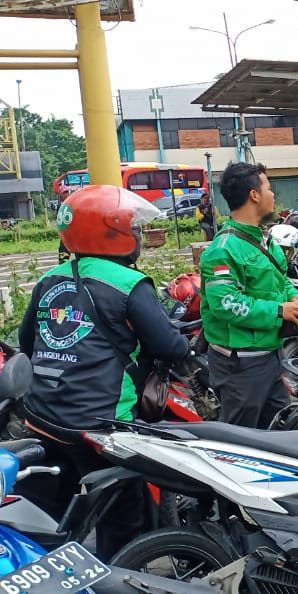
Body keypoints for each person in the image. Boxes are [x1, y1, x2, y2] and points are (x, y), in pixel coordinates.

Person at [18, 185, 191, 558]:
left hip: (43, 417)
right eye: (133, 227)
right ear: (111, 232)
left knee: (53, 515)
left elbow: (26, 340)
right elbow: (170, 347)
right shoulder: (129, 283)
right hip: (99, 425)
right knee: (124, 519)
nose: (139, 234)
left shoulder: (51, 278)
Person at [201, 162, 298, 429]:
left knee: (282, 430)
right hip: (240, 366)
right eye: (269, 188)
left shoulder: (267, 240)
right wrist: (279, 311)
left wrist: (296, 298)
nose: (273, 195)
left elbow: (281, 280)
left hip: (271, 357)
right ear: (254, 194)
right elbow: (226, 304)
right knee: (243, 441)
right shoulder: (223, 250)